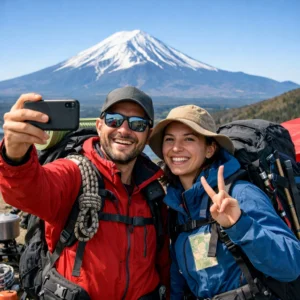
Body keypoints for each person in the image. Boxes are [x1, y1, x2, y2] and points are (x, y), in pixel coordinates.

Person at [0, 87, 170, 299]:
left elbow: (163, 263)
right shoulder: (75, 174)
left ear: (148, 135)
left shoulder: (153, 192)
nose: (124, 130)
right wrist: (15, 155)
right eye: (114, 120)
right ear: (99, 126)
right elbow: (30, 191)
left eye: (137, 124)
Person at [148, 105, 300, 300]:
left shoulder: (240, 194)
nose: (176, 148)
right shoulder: (178, 209)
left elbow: (291, 266)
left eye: (189, 139)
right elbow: (179, 281)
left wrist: (238, 224)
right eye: (170, 139)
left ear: (210, 149)